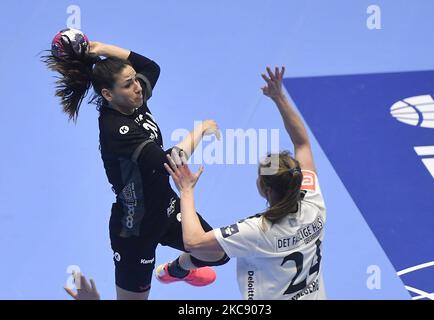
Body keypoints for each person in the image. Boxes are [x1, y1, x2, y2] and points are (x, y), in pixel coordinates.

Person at [43, 39, 229, 300]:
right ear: (108, 94)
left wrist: (100, 48)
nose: (138, 87)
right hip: (134, 229)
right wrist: (201, 129)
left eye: (135, 80)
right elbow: (171, 162)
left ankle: (177, 270)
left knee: (218, 253)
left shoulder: (132, 100)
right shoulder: (115, 129)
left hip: (165, 205)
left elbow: (150, 66)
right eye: (128, 83)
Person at [163, 66, 326, 300]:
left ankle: (178, 268)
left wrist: (186, 191)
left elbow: (193, 241)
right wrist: (280, 97)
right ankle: (178, 269)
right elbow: (302, 144)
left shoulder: (258, 231)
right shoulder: (313, 201)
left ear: (265, 189)